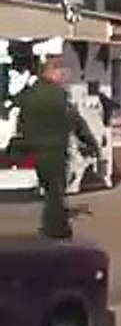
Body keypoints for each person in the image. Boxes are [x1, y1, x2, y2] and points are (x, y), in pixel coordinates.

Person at [9, 56, 99, 239]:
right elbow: (75, 120)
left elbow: (22, 121)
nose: (65, 76)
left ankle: (55, 227)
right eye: (62, 71)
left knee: (51, 190)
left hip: (37, 152)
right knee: (56, 192)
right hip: (55, 150)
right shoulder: (58, 96)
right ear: (52, 71)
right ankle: (56, 230)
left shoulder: (30, 94)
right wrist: (90, 143)